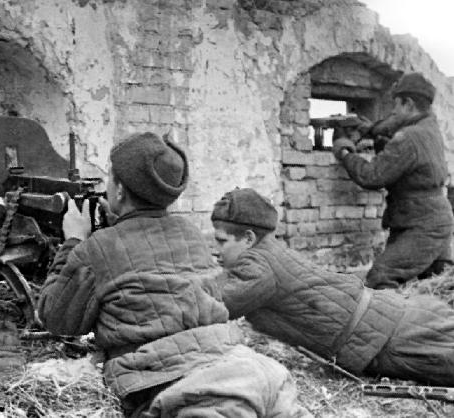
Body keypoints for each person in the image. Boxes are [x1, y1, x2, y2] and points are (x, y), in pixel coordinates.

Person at [38, 133, 311, 417]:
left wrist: (73, 241)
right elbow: (146, 249)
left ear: (118, 190)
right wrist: (119, 226)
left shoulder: (97, 249)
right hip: (251, 368)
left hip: (190, 386)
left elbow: (55, 317)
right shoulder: (189, 232)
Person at [212, 187, 454, 386]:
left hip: (386, 340)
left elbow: (211, 308)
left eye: (221, 241)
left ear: (248, 238)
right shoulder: (270, 251)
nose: (215, 250)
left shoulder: (258, 267)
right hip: (394, 314)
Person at [332, 72, 454, 289]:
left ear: (408, 104)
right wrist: (371, 129)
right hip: (432, 219)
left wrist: (344, 152)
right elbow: (394, 125)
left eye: (396, 105)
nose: (393, 111)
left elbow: (371, 176)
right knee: (438, 285)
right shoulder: (429, 125)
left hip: (422, 225)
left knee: (381, 276)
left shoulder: (408, 138)